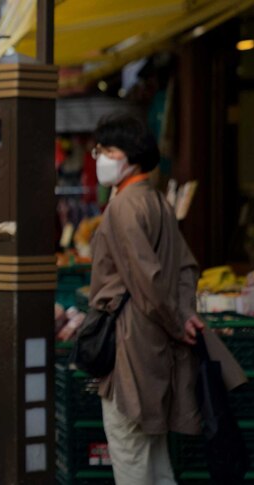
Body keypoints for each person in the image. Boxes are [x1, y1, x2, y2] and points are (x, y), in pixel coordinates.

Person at [89, 112, 204, 484]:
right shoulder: (157, 201)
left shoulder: (122, 206)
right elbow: (187, 267)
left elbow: (148, 282)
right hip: (157, 350)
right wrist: (184, 316)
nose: (100, 158)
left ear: (131, 155)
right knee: (155, 459)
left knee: (131, 456)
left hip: (130, 350)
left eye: (108, 150)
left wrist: (176, 319)